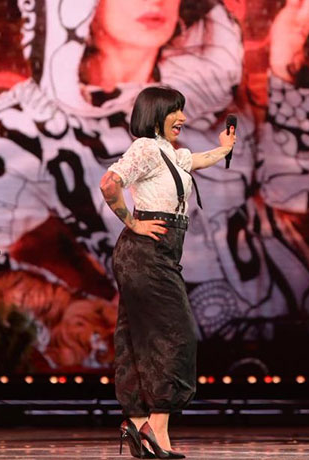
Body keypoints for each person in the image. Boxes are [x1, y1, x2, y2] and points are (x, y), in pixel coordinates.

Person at [0, 0, 309, 368]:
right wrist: (87, 312)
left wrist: (288, 55)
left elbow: (294, 194)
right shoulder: (31, 127)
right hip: (158, 358)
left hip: (293, 330)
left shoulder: (206, 88)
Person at [102, 85, 235, 458]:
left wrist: (224, 149)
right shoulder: (146, 148)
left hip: (149, 255)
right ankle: (156, 427)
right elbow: (109, 184)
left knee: (135, 337)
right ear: (156, 113)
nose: (183, 118)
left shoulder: (169, 153)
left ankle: (135, 419)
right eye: (176, 110)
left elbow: (195, 161)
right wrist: (132, 222)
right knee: (177, 335)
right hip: (146, 254)